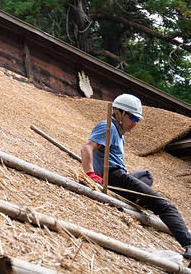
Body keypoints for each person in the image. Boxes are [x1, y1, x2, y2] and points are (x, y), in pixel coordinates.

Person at [81, 93, 191, 259]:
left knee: (146, 175)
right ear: (118, 113)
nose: (135, 122)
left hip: (118, 176)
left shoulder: (119, 132)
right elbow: (86, 149)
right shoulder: (108, 127)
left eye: (137, 119)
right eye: (132, 117)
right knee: (165, 206)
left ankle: (138, 196)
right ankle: (189, 243)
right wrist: (90, 174)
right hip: (113, 177)